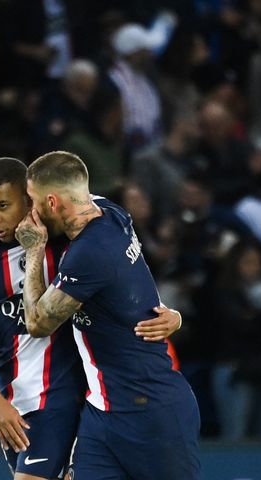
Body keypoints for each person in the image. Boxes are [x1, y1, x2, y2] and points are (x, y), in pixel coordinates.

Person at [0, 157, 181, 480]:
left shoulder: (67, 231)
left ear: (32, 199)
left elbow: (120, 271)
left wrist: (169, 312)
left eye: (2, 206)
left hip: (90, 396)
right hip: (27, 400)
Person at [16, 151, 200, 479]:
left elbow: (38, 323)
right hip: (103, 413)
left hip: (151, 413)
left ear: (54, 203)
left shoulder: (89, 254)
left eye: (33, 201)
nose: (30, 212)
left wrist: (33, 250)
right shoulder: (112, 213)